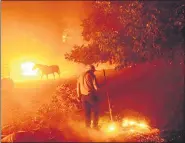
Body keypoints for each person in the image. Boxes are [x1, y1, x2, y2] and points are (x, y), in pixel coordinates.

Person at [77, 65, 104, 130]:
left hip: (83, 97)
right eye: (93, 70)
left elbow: (78, 87)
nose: (94, 72)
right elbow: (96, 86)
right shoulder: (91, 75)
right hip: (91, 95)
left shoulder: (80, 76)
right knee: (96, 110)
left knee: (87, 113)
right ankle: (95, 126)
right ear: (91, 70)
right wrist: (100, 90)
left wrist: (78, 96)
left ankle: (87, 127)